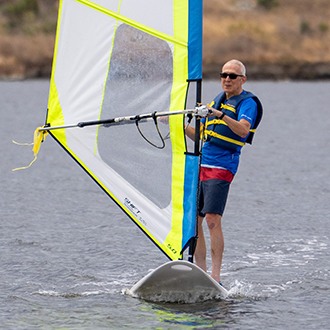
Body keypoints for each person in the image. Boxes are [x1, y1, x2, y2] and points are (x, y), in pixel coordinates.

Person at [185, 59, 262, 283]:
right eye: (223, 75)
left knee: (212, 219)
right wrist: (175, 125)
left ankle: (215, 276)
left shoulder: (247, 103)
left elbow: (243, 131)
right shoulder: (216, 101)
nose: (227, 79)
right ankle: (200, 272)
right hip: (202, 164)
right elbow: (199, 135)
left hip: (222, 166)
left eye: (232, 76)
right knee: (194, 222)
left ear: (242, 80)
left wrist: (219, 115)